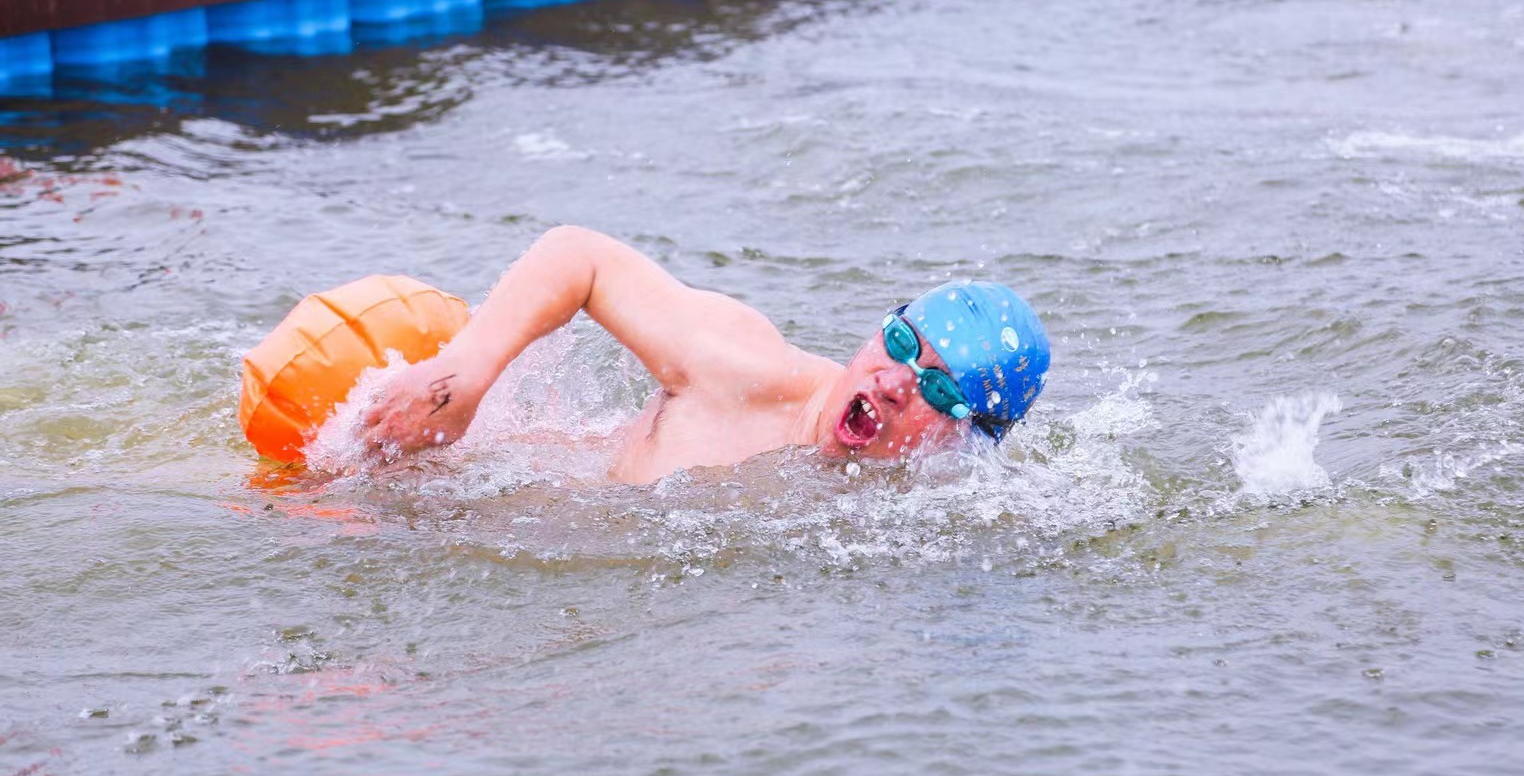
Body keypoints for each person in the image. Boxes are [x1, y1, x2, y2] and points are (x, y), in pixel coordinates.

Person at [361, 225, 1050, 483]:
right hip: (425, 479)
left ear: (969, 438)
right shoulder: (745, 367)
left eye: (939, 392)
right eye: (900, 344)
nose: (896, 383)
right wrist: (464, 376)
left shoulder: (935, 511)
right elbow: (580, 258)